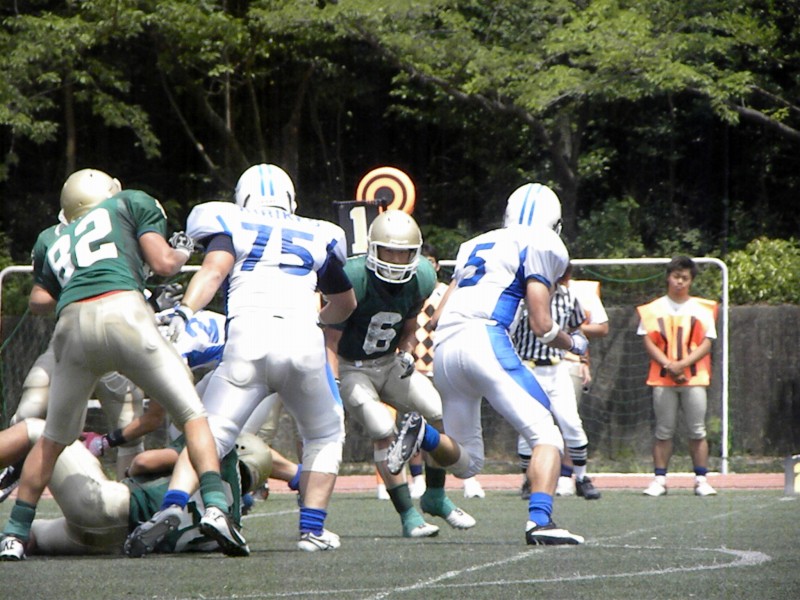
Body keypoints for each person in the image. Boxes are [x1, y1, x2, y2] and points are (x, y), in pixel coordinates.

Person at [0, 169, 239, 562]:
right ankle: (215, 506)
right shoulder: (130, 203)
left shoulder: (52, 237)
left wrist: (78, 279)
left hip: (72, 327)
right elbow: (164, 264)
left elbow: (38, 300)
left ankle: (14, 532)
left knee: (53, 439)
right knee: (193, 415)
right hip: (124, 314)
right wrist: (182, 252)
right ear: (109, 193)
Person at [126, 163, 356, 554]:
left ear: (242, 197)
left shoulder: (230, 220)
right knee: (324, 434)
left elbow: (214, 272)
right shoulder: (319, 232)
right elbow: (345, 304)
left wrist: (185, 310)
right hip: (302, 341)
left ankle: (173, 505)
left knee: (209, 433)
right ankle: (312, 530)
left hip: (248, 339)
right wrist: (316, 320)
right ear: (291, 199)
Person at [387, 182, 587, 545]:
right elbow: (543, 325)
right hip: (486, 339)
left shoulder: (475, 244)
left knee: (469, 464)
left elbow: (436, 317)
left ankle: (425, 435)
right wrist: (574, 342)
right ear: (554, 222)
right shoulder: (545, 243)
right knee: (548, 436)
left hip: (446, 347)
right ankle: (540, 521)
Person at [324, 210, 475, 539]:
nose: (395, 261)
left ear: (416, 253)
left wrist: (407, 351)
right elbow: (330, 341)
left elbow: (409, 328)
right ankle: (409, 515)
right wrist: (332, 386)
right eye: (388, 252)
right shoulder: (353, 276)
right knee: (382, 427)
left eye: (403, 253)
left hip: (389, 362)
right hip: (352, 367)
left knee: (439, 412)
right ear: (372, 249)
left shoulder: (422, 276)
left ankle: (435, 496)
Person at [0, 418, 271, 556]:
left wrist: (134, 472)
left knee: (40, 429)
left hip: (114, 508)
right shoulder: (232, 522)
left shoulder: (214, 448)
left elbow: (143, 462)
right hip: (113, 543)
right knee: (34, 535)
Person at [513, 263, 601, 501]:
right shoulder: (522, 298)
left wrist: (583, 358)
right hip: (528, 367)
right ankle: (529, 480)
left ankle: (581, 478)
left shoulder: (568, 297)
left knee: (571, 422)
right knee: (528, 426)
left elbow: (577, 329)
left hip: (557, 367)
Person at [637, 256, 718, 497]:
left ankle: (701, 479)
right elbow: (648, 340)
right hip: (662, 378)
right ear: (668, 278)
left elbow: (707, 342)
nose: (680, 282)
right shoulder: (653, 308)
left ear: (691, 281)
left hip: (694, 378)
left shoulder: (702, 309)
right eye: (676, 277)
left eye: (685, 278)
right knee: (663, 430)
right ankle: (660, 480)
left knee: (697, 430)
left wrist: (682, 365)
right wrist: (668, 365)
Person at [414, 242, 485, 499]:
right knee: (418, 423)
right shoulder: (409, 290)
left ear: (437, 265)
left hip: (443, 363)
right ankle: (418, 479)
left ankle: (469, 479)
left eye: (430, 261)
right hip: (415, 366)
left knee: (452, 423)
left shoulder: (447, 292)